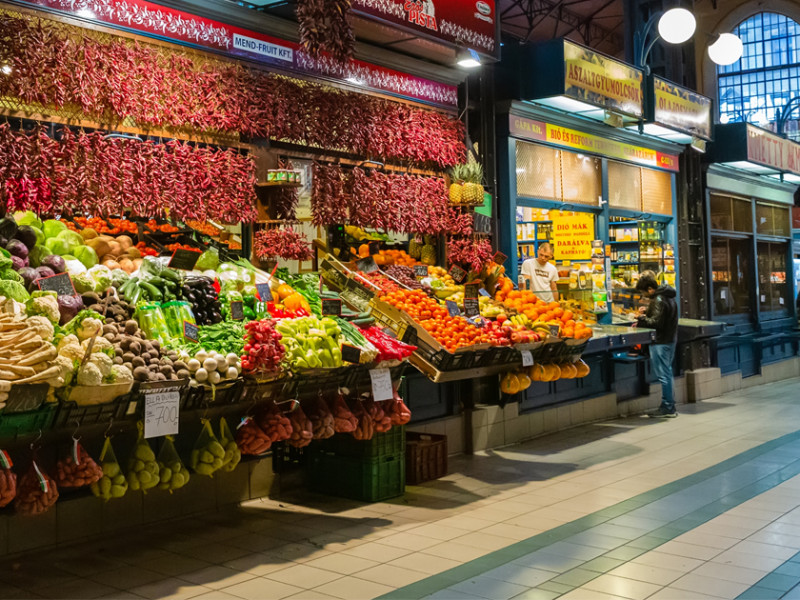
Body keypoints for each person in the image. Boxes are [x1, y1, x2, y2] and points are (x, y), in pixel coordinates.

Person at [636, 271, 679, 418]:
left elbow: (657, 323)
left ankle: (668, 407)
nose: (644, 295)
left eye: (643, 292)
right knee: (667, 373)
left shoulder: (658, 299)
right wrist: (648, 311)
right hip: (670, 339)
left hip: (660, 341)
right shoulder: (668, 297)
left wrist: (641, 318)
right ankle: (669, 405)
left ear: (650, 289)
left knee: (664, 375)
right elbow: (663, 316)